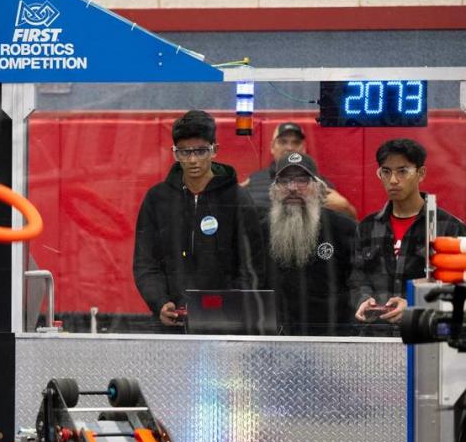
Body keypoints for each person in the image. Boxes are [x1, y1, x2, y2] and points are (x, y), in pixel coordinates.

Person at [133, 110, 264, 327]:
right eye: (185, 152)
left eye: (201, 151)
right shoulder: (157, 199)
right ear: (175, 153)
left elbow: (252, 267)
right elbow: (145, 263)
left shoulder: (237, 199)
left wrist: (228, 307)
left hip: (226, 323)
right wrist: (160, 303)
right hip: (172, 322)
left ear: (214, 150)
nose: (193, 160)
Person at [350, 138, 466, 326]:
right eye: (386, 172)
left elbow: (458, 289)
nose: (393, 180)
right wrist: (364, 299)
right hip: (376, 335)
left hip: (425, 339)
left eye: (402, 171)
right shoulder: (367, 227)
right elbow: (357, 278)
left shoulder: (449, 227)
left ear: (421, 173)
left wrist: (414, 304)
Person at [262, 152, 355, 335]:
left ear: (320, 188)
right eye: (284, 180)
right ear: (273, 190)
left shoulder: (344, 229)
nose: (293, 188)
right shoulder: (259, 232)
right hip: (274, 339)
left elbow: (358, 286)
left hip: (330, 340)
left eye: (302, 180)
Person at [243, 122, 357, 219]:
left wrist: (345, 208)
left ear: (303, 148)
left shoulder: (320, 182)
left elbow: (350, 220)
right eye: (283, 142)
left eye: (296, 142)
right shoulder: (254, 180)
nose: (289, 148)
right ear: (272, 147)